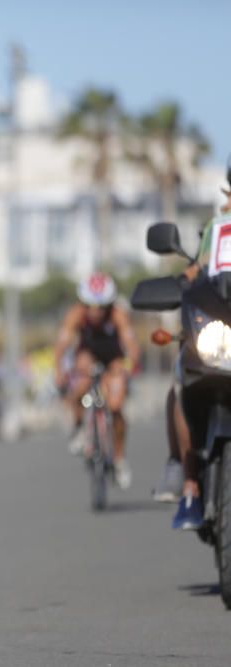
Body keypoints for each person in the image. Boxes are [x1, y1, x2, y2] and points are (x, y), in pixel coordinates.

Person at [167, 162, 231, 529]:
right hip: (224, 334)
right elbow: (196, 274)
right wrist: (180, 286)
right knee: (182, 375)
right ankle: (191, 486)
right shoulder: (218, 230)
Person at [53, 272, 140, 489]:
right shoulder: (76, 314)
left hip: (113, 358)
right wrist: (59, 370)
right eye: (91, 306)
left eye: (101, 307)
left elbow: (131, 345)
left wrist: (128, 367)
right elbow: (62, 345)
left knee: (116, 405)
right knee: (80, 385)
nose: (96, 312)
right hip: (87, 355)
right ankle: (78, 427)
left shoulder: (118, 315)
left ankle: (119, 459)